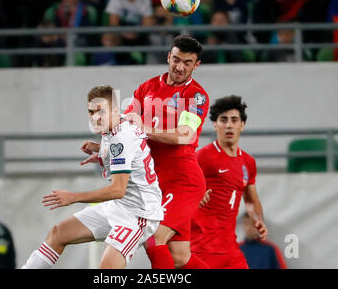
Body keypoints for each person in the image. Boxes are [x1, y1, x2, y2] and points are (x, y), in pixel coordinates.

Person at [22, 85, 163, 269]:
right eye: (91, 111)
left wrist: (73, 197)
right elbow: (128, 153)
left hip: (138, 214)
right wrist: (101, 152)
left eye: (100, 111)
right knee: (59, 233)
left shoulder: (121, 137)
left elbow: (117, 189)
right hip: (120, 206)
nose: (95, 117)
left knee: (107, 269)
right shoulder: (115, 124)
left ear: (114, 110)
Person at [124, 35, 210, 269]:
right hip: (156, 181)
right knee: (180, 257)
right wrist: (102, 149)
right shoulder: (147, 87)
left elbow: (185, 135)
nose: (180, 67)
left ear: (196, 65)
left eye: (187, 62)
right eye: (176, 60)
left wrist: (144, 129)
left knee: (153, 238)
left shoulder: (196, 95)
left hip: (183, 180)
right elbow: (127, 124)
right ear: (168, 57)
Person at [190, 95, 268, 269]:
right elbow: (179, 186)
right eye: (223, 120)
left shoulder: (248, 162)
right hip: (201, 249)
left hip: (231, 250)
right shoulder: (203, 157)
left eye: (234, 120)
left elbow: (250, 200)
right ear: (215, 124)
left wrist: (258, 220)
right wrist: (194, 194)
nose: (229, 125)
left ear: (242, 125)